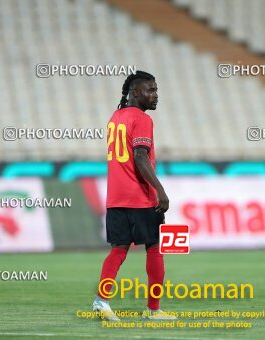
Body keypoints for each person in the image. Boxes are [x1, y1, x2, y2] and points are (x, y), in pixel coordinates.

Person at [92, 71, 175, 321]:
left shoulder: (115, 117)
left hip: (115, 197)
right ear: (136, 93)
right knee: (155, 249)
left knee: (118, 250)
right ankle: (153, 310)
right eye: (151, 90)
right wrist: (159, 189)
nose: (155, 95)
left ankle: (101, 301)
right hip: (140, 197)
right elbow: (140, 156)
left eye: (156, 90)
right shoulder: (141, 119)